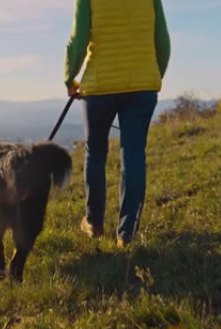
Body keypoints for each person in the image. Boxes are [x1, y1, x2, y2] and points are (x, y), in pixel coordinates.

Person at [65, 0, 170, 248]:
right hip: (143, 87)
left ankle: (93, 223)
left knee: (96, 152)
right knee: (133, 155)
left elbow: (78, 40)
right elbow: (163, 41)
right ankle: (126, 234)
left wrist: (70, 77)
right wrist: (152, 75)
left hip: (100, 87)